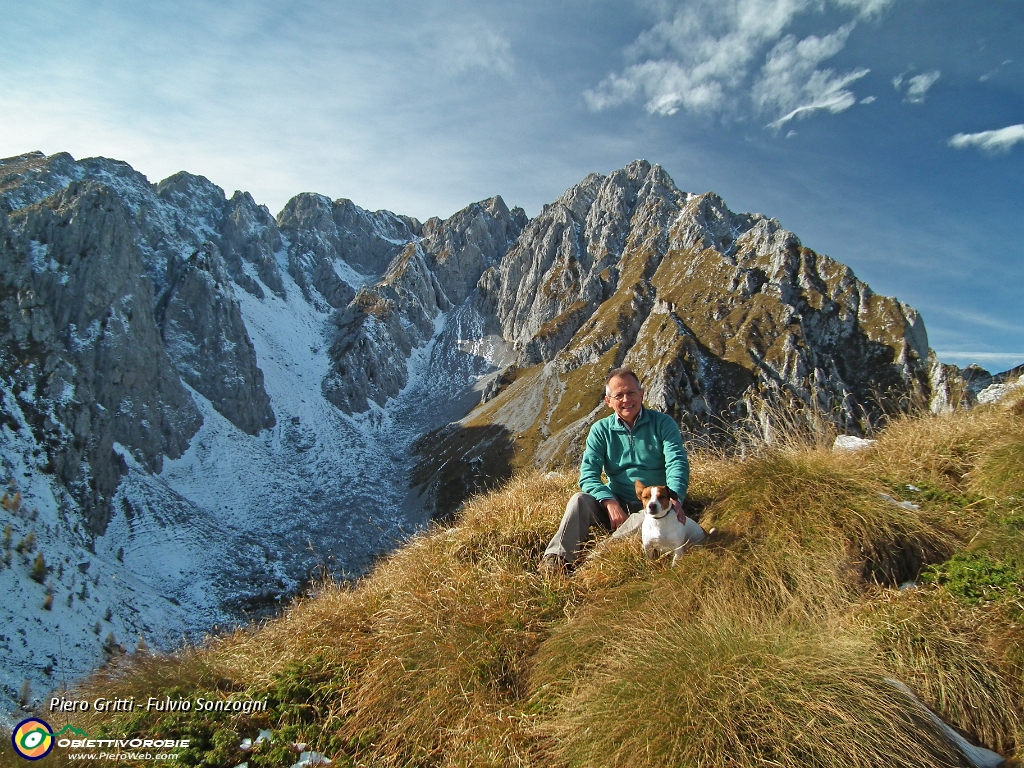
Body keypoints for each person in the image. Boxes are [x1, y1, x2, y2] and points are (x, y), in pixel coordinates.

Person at [540, 367, 705, 572]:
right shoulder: (600, 430)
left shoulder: (663, 424)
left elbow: (677, 462)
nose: (626, 399)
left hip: (653, 504)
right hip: (615, 499)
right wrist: (609, 502)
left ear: (642, 394)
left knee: (645, 517)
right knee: (579, 500)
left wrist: (675, 498)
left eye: (631, 392)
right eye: (619, 395)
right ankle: (555, 560)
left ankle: (595, 562)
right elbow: (588, 474)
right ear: (608, 401)